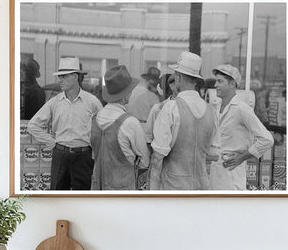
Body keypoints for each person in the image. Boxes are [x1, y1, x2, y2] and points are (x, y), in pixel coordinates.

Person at [28, 57, 102, 190]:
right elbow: (33, 125)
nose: (60, 80)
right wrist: (53, 144)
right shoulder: (55, 102)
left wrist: (93, 149)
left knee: (82, 198)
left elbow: (102, 129)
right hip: (60, 155)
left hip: (83, 157)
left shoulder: (92, 102)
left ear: (75, 77)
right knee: (57, 196)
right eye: (59, 76)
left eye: (64, 76)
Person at [149, 52, 220, 190]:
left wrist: (153, 192)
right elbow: (215, 154)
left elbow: (157, 157)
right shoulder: (211, 111)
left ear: (179, 77)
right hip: (201, 188)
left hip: (174, 189)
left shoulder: (171, 108)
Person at [210, 64, 274, 190]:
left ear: (232, 84)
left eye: (219, 81)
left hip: (232, 173)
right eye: (216, 81)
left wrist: (242, 157)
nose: (215, 85)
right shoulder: (216, 108)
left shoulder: (242, 109)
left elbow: (267, 139)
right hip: (215, 171)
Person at [90, 65, 150, 190]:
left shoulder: (94, 118)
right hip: (121, 190)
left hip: (97, 188)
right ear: (124, 95)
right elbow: (144, 162)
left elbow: (93, 154)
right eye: (130, 90)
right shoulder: (130, 123)